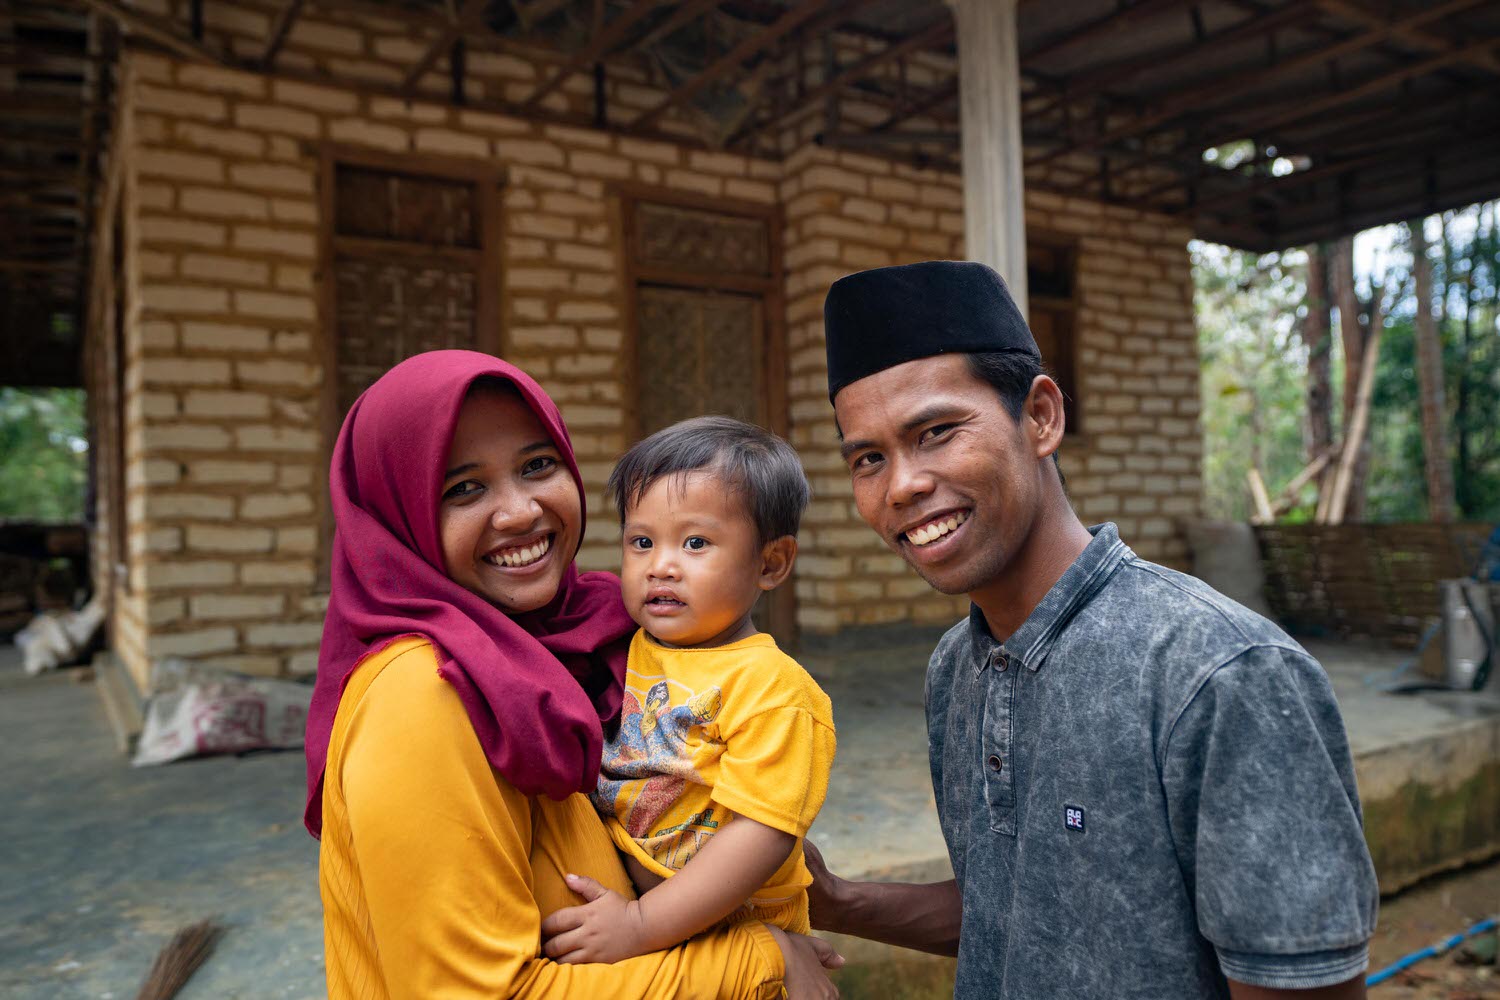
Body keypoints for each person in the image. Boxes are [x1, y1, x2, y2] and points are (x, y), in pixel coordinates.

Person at [807, 261, 1378, 999]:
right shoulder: (957, 666)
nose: (902, 485)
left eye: (937, 432)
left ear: (1041, 417)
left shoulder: (1221, 672)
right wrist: (834, 900)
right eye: (868, 459)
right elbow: (1020, 912)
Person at [303, 351, 840, 999]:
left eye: (537, 466)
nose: (519, 512)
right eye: (463, 488)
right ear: (400, 515)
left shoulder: (591, 635)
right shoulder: (420, 693)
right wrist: (762, 959)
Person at [540, 416, 836, 965]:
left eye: (695, 543)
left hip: (733, 932)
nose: (661, 567)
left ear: (771, 563)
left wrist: (639, 925)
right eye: (642, 542)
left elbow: (761, 835)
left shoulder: (771, 689)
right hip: (640, 903)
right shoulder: (625, 643)